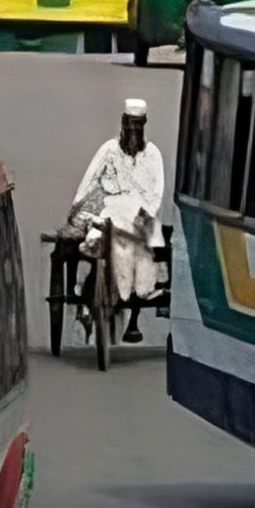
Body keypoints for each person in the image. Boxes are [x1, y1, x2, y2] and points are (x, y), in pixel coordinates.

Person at [70, 98, 167, 343]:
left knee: (152, 253)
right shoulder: (109, 150)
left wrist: (145, 215)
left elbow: (157, 192)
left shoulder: (153, 154)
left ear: (144, 126)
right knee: (96, 242)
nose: (133, 131)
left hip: (144, 216)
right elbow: (90, 180)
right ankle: (88, 296)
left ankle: (135, 316)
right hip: (113, 211)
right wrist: (76, 208)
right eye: (129, 125)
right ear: (122, 124)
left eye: (138, 126)